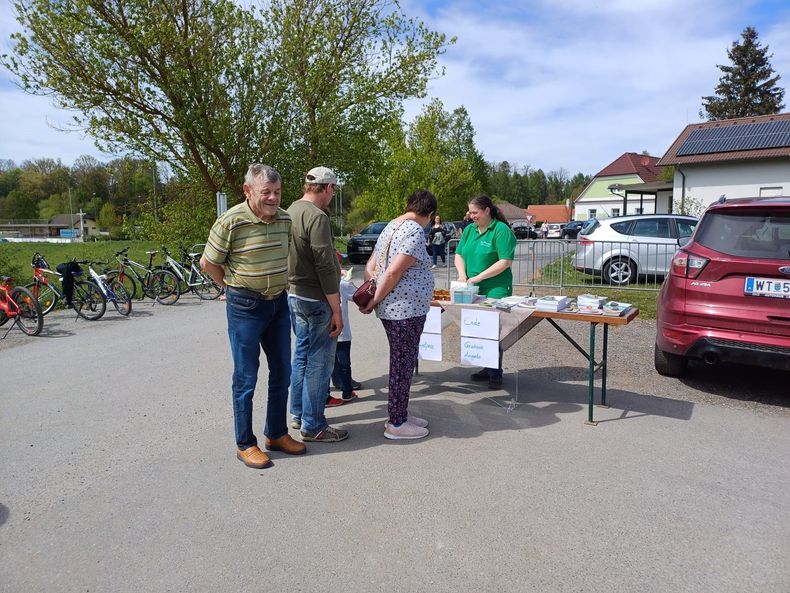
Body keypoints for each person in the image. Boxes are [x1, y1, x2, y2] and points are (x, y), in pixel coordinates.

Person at [200, 163, 305, 470]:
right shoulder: (231, 221)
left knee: (283, 372)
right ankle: (245, 444)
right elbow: (209, 262)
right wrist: (231, 288)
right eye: (266, 192)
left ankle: (276, 434)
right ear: (247, 191)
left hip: (278, 305)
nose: (273, 198)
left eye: (277, 191)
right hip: (245, 307)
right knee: (246, 378)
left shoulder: (285, 219)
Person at [359, 189, 437, 440]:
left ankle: (400, 413)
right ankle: (396, 422)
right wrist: (375, 299)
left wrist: (374, 293)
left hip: (396, 309)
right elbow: (393, 272)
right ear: (430, 214)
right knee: (403, 364)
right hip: (404, 310)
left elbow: (371, 266)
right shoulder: (414, 230)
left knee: (402, 361)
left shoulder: (391, 226)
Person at [287, 166, 347, 443]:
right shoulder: (317, 217)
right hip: (316, 298)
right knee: (319, 362)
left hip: (294, 294)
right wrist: (337, 309)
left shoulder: (290, 210)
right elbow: (324, 265)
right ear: (328, 188)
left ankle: (298, 412)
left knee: (302, 355)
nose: (333, 193)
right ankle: (313, 424)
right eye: (333, 188)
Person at [454, 194, 517, 389]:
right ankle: (487, 365)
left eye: (475, 212)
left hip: (495, 288)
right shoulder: (470, 230)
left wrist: (480, 277)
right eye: (470, 212)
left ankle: (495, 372)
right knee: (477, 328)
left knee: (492, 330)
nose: (471, 216)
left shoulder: (501, 230)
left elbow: (505, 261)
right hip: (471, 287)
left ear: (487, 211)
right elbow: (458, 254)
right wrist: (462, 274)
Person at [326, 258, 363, 407]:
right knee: (344, 363)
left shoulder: (321, 284)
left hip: (325, 331)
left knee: (329, 362)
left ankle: (331, 387)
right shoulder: (343, 284)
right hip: (342, 332)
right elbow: (359, 296)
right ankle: (347, 391)